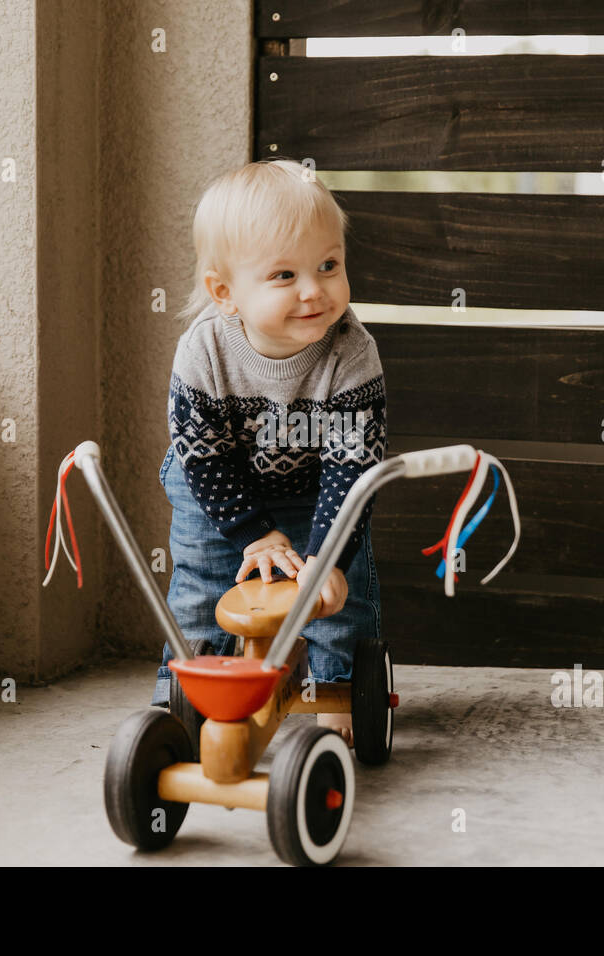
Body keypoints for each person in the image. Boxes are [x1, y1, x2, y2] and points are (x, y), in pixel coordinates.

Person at [151, 158, 387, 745]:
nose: (314, 290)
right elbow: (202, 455)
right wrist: (252, 532)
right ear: (225, 292)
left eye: (328, 265)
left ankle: (342, 689)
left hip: (319, 489)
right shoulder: (204, 350)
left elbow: (352, 466)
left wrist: (326, 557)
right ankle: (183, 687)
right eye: (284, 276)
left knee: (341, 593)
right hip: (216, 485)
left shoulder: (350, 353)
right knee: (203, 586)